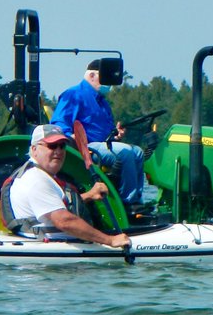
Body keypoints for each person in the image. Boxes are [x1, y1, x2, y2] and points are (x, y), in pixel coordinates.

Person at [2, 124, 131, 249]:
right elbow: (64, 221)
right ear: (34, 149)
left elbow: (52, 204)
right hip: (48, 256)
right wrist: (110, 240)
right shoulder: (37, 180)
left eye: (62, 146)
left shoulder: (37, 173)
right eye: (52, 146)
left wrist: (89, 195)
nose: (58, 151)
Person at [52, 59, 145, 206]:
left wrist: (116, 135)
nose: (108, 83)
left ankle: (138, 198)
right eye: (105, 77)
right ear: (92, 76)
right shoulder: (73, 95)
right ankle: (128, 202)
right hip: (87, 147)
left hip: (104, 144)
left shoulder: (103, 102)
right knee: (126, 152)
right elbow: (59, 123)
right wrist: (71, 137)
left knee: (138, 152)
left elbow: (106, 131)